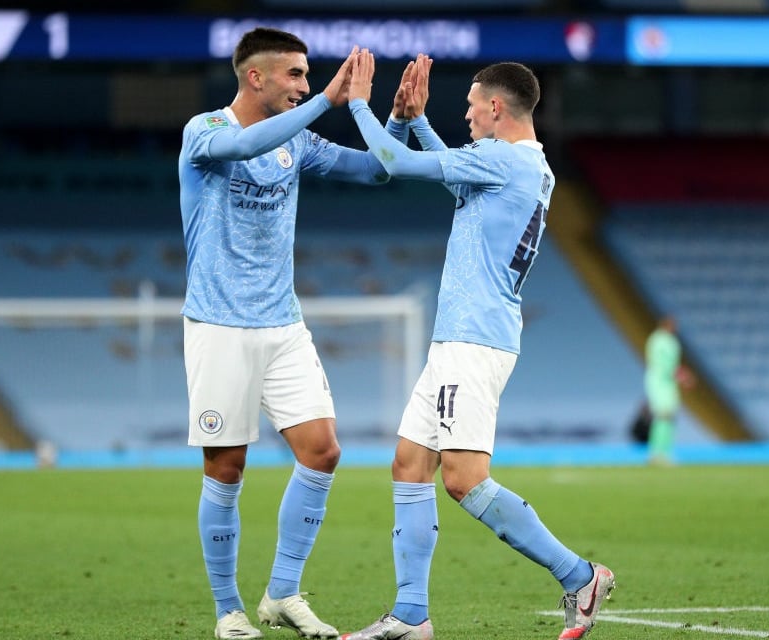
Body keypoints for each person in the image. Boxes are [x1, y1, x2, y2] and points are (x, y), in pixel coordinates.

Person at [339, 51, 616, 640]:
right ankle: (411, 615)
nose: (464, 115)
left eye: (469, 106)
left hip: (473, 340)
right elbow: (452, 168)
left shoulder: (503, 161)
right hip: (461, 337)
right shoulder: (525, 165)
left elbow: (391, 162)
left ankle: (580, 575)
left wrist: (360, 103)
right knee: (409, 465)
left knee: (463, 478)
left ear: (496, 108)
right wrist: (414, 119)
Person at [178, 29, 411, 640]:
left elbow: (374, 173)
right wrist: (326, 101)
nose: (306, 86)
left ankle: (281, 593)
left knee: (322, 450)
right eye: (296, 76)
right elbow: (247, 142)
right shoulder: (203, 131)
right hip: (219, 325)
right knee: (226, 467)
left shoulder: (299, 142)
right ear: (256, 77)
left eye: (310, 78)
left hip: (282, 323)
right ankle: (229, 610)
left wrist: (397, 120)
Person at [644, 315, 692, 465]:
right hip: (659, 382)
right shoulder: (657, 340)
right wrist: (682, 376)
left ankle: (664, 451)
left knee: (669, 416)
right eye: (672, 325)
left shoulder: (671, 341)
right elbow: (662, 364)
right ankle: (656, 453)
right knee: (662, 415)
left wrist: (679, 376)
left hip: (668, 383)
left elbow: (672, 364)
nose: (675, 328)